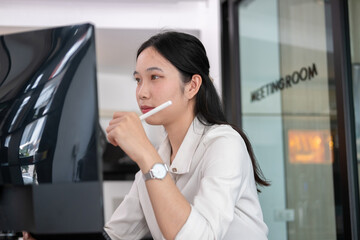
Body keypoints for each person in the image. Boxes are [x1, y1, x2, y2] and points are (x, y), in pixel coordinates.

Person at [24, 31, 269, 240]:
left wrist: (145, 153)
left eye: (155, 77)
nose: (141, 92)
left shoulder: (224, 144)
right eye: (138, 80)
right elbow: (115, 235)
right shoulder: (156, 159)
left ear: (192, 86)